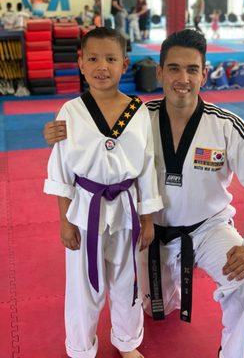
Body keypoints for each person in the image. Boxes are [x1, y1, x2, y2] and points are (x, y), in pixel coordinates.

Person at [43, 29, 244, 358]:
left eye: (191, 69)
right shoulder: (137, 117)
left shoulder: (227, 126)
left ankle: (232, 353)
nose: (182, 78)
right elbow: (93, 145)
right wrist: (59, 131)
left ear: (204, 73)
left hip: (207, 229)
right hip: (147, 234)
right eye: (173, 68)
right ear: (159, 72)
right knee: (147, 306)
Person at [43, 27, 163, 358]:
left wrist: (148, 218)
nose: (102, 66)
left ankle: (127, 343)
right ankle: (81, 348)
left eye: (110, 59)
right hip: (84, 208)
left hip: (126, 210)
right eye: (93, 59)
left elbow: (147, 167)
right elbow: (61, 169)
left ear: (124, 64)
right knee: (82, 287)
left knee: (128, 281)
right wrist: (64, 220)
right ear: (81, 63)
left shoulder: (138, 110)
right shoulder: (70, 111)